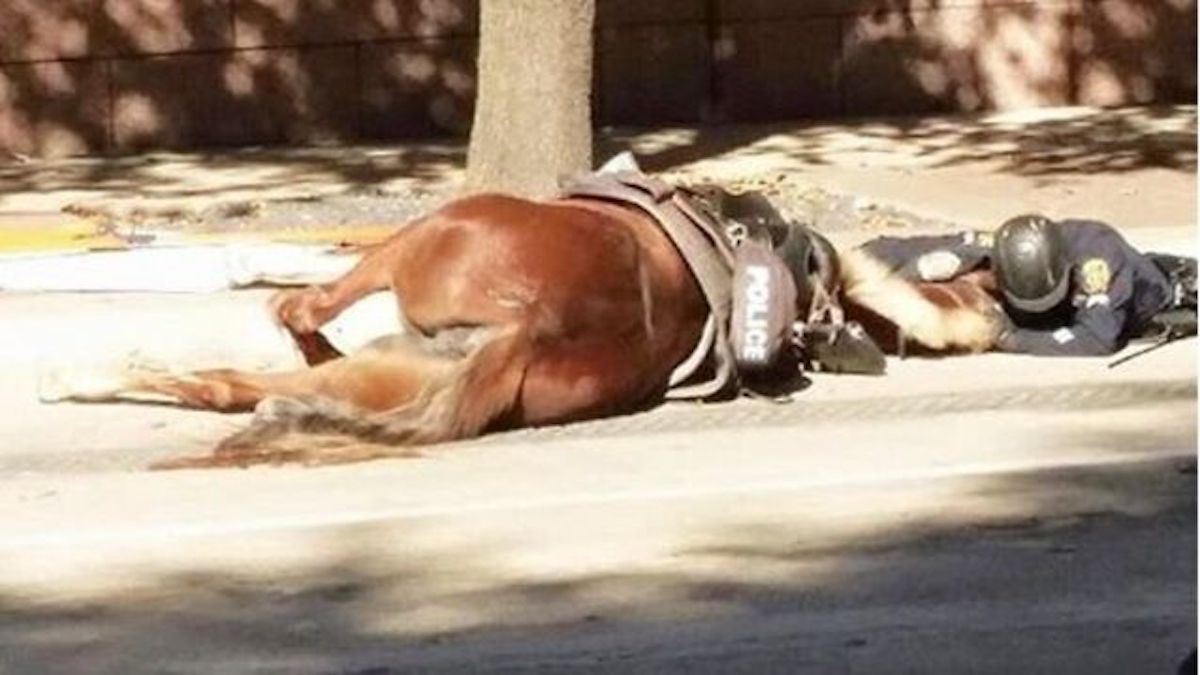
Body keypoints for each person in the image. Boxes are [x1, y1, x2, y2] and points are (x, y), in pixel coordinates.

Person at [857, 215, 1196, 356]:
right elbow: (901, 247)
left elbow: (1098, 338)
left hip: (1161, 290)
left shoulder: (1098, 260)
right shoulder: (1007, 243)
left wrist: (1011, 338)